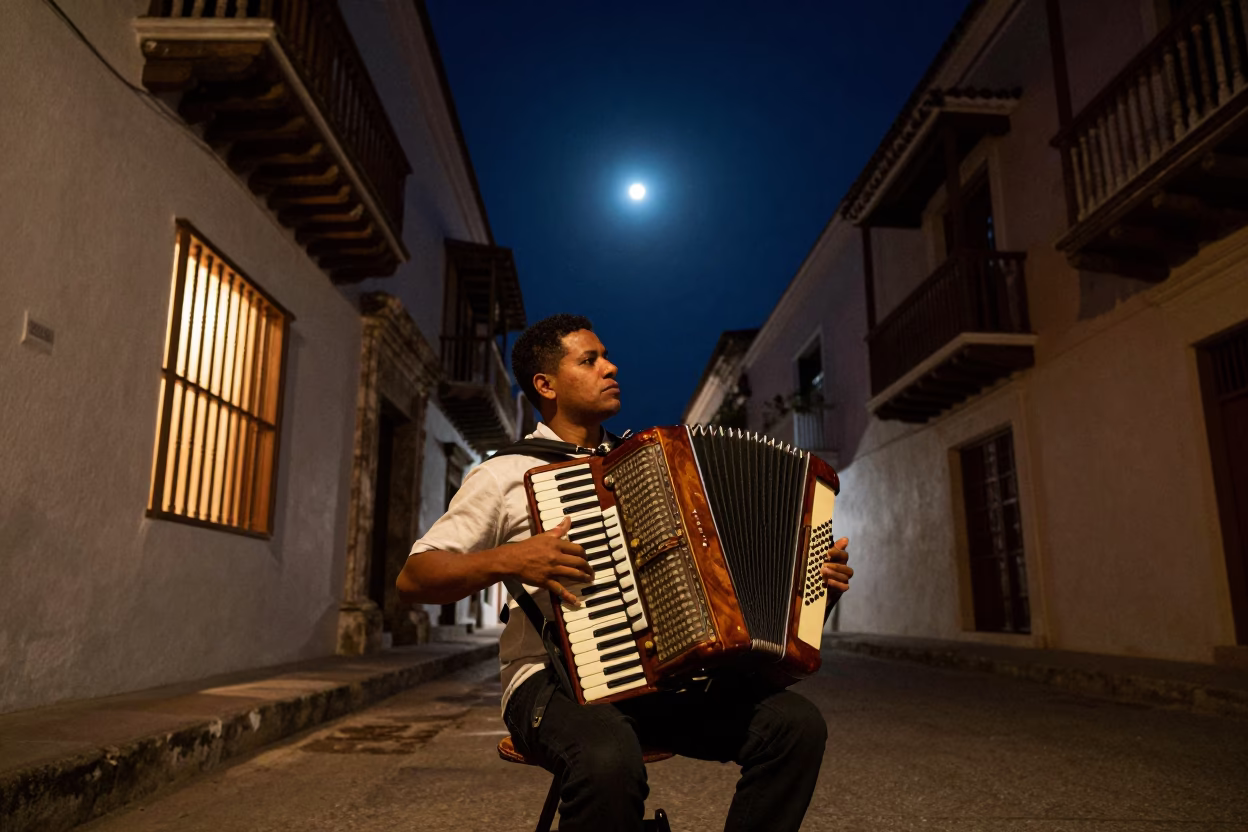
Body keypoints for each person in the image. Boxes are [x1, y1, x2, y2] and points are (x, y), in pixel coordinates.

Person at [396, 314, 853, 832]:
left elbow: (721, 583)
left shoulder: (646, 465)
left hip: (659, 685)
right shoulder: (504, 473)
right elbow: (414, 577)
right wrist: (510, 559)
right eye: (589, 360)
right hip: (549, 685)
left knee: (795, 727)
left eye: (606, 356)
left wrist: (809, 586)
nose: (610, 367)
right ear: (545, 385)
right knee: (608, 758)